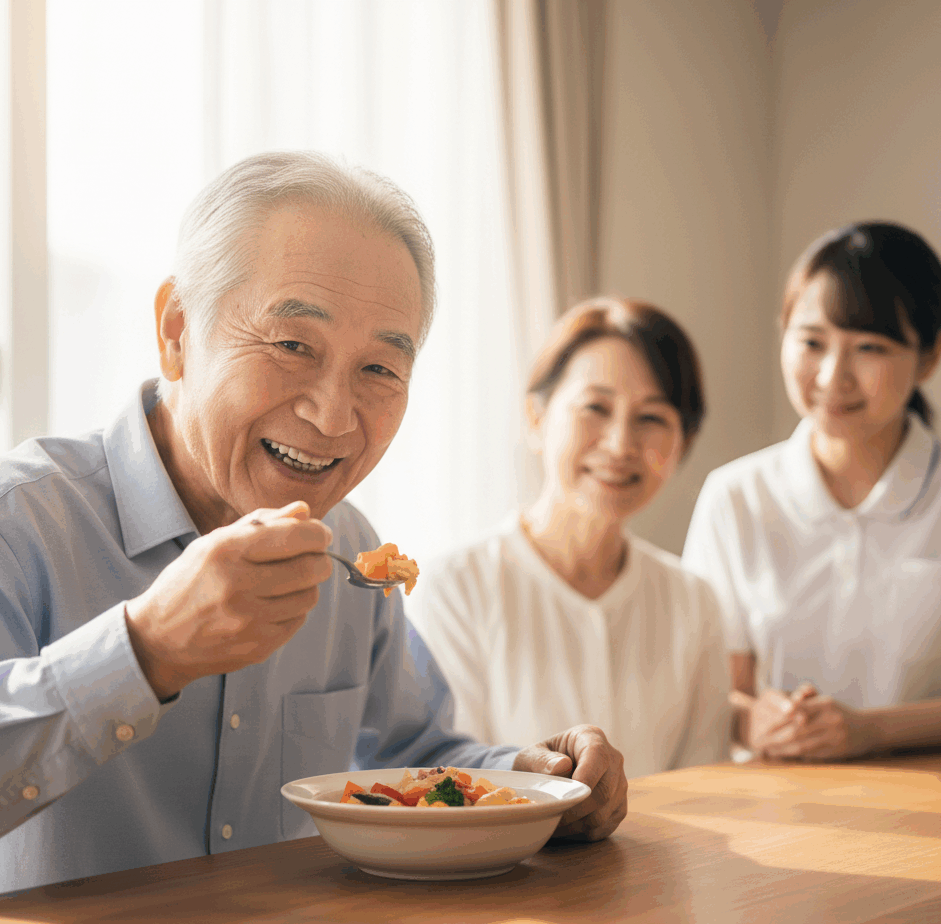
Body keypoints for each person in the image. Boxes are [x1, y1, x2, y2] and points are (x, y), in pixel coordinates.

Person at [0, 152, 626, 894]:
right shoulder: (27, 519)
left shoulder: (351, 547)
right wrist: (145, 652)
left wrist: (533, 780)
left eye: (380, 370)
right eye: (293, 345)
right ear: (176, 332)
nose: (333, 416)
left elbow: (412, 750)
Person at [409, 296, 731, 779]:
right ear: (536, 418)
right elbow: (452, 783)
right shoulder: (455, 588)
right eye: (595, 408)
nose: (621, 444)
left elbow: (704, 787)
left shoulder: (693, 601)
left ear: (681, 443)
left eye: (652, 418)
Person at [682, 221, 941, 762]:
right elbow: (713, 690)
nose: (832, 376)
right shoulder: (736, 497)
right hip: (776, 811)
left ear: (928, 357)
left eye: (869, 347)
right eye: (811, 342)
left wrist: (872, 730)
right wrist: (757, 721)